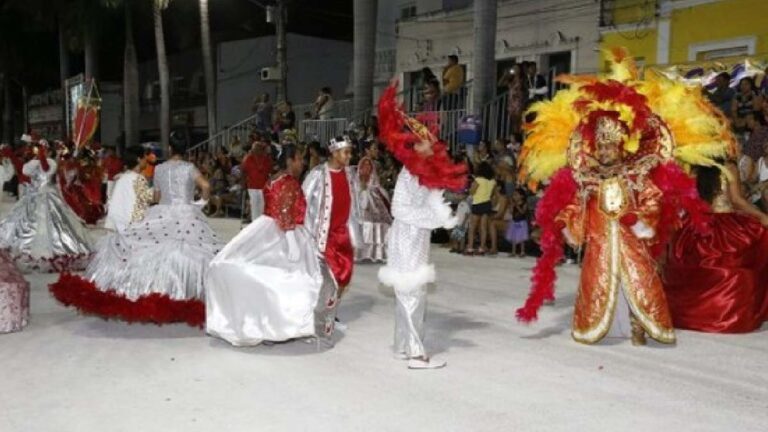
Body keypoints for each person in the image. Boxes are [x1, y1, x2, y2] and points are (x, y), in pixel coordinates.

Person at [514, 50, 731, 346]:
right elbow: (576, 206)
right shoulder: (588, 177)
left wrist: (639, 220)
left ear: (621, 147)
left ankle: (640, 325)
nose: (604, 152)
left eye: (609, 147)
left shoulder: (635, 174)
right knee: (599, 282)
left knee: (640, 281)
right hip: (600, 243)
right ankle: (600, 324)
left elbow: (652, 199)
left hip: (631, 242)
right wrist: (565, 222)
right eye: (600, 148)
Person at [50, 140, 222, 326]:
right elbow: (206, 186)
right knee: (190, 251)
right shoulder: (189, 167)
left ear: (170, 148)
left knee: (148, 246)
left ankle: (144, 290)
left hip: (162, 210)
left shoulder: (160, 168)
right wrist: (200, 203)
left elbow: (157, 196)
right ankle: (186, 292)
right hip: (186, 213)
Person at [206, 144, 339, 346]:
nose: (302, 162)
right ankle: (293, 324)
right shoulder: (289, 182)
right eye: (299, 158)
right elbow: (284, 212)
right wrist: (292, 240)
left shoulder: (274, 178)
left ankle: (266, 322)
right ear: (290, 161)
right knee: (304, 278)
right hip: (286, 231)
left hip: (266, 227)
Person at [377, 84, 468, 369]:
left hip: (416, 237)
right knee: (411, 293)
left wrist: (445, 217)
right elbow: (398, 209)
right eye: (427, 141)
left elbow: (431, 201)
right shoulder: (409, 174)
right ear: (416, 146)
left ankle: (403, 346)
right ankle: (416, 353)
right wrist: (435, 220)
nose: (433, 145)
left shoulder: (422, 173)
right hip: (406, 237)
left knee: (412, 293)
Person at [664, 161, 768, 333]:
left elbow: (684, 201)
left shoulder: (693, 168)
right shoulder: (729, 167)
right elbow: (737, 201)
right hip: (726, 230)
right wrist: (761, 216)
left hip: (697, 228)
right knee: (760, 241)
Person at [0, 141, 92, 272]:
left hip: (48, 197)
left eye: (44, 149)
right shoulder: (32, 163)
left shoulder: (52, 162)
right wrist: (11, 156)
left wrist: (42, 154)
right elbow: (23, 171)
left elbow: (46, 169)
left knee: (52, 224)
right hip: (32, 198)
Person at [302, 136, 361, 299]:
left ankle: (331, 307)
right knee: (326, 278)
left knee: (344, 276)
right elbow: (303, 201)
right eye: (346, 152)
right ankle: (321, 309)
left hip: (343, 234)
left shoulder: (350, 175)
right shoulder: (317, 174)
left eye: (350, 152)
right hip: (322, 236)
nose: (350, 156)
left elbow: (354, 205)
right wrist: (305, 233)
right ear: (334, 153)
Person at [355, 141, 392, 263]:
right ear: (367, 150)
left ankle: (370, 252)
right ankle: (371, 252)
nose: (377, 151)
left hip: (373, 194)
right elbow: (363, 180)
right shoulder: (367, 162)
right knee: (374, 222)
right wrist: (364, 197)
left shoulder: (369, 162)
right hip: (371, 196)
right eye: (374, 148)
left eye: (376, 149)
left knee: (375, 223)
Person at [103, 146, 154, 233]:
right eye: (145, 158)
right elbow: (147, 199)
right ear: (139, 159)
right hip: (132, 225)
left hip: (117, 223)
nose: (146, 161)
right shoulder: (138, 178)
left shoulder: (122, 177)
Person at [464, 162, 496, 256]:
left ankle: (470, 248)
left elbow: (472, 192)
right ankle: (482, 248)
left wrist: (469, 189)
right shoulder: (492, 181)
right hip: (487, 204)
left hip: (477, 203)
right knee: (483, 228)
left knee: (472, 228)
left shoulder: (478, 180)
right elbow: (492, 194)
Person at [240, 139, 273, 221]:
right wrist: (243, 183)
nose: (254, 150)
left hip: (263, 187)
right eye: (253, 149)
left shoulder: (266, 159)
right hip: (252, 186)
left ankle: (260, 224)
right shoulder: (248, 158)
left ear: (260, 149)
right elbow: (243, 171)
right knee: (254, 207)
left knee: (262, 207)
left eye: (256, 149)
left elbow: (270, 171)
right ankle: (254, 223)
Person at [505, 188, 529, 258]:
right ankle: (513, 251)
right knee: (513, 237)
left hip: (522, 223)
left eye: (516, 195)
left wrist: (517, 206)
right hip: (514, 222)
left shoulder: (524, 203)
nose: (514, 197)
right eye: (513, 195)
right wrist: (511, 207)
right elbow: (511, 212)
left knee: (521, 238)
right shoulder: (513, 204)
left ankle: (522, 251)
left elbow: (522, 212)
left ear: (522, 196)